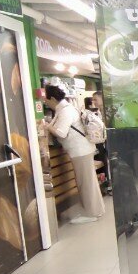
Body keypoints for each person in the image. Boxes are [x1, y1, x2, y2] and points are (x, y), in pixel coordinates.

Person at [43, 84, 104, 224]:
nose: (45, 103)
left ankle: (91, 213)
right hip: (83, 149)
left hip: (80, 150)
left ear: (53, 99)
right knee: (89, 181)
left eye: (46, 100)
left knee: (85, 183)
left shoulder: (65, 111)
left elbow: (61, 133)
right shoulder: (67, 108)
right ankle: (97, 210)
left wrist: (47, 126)